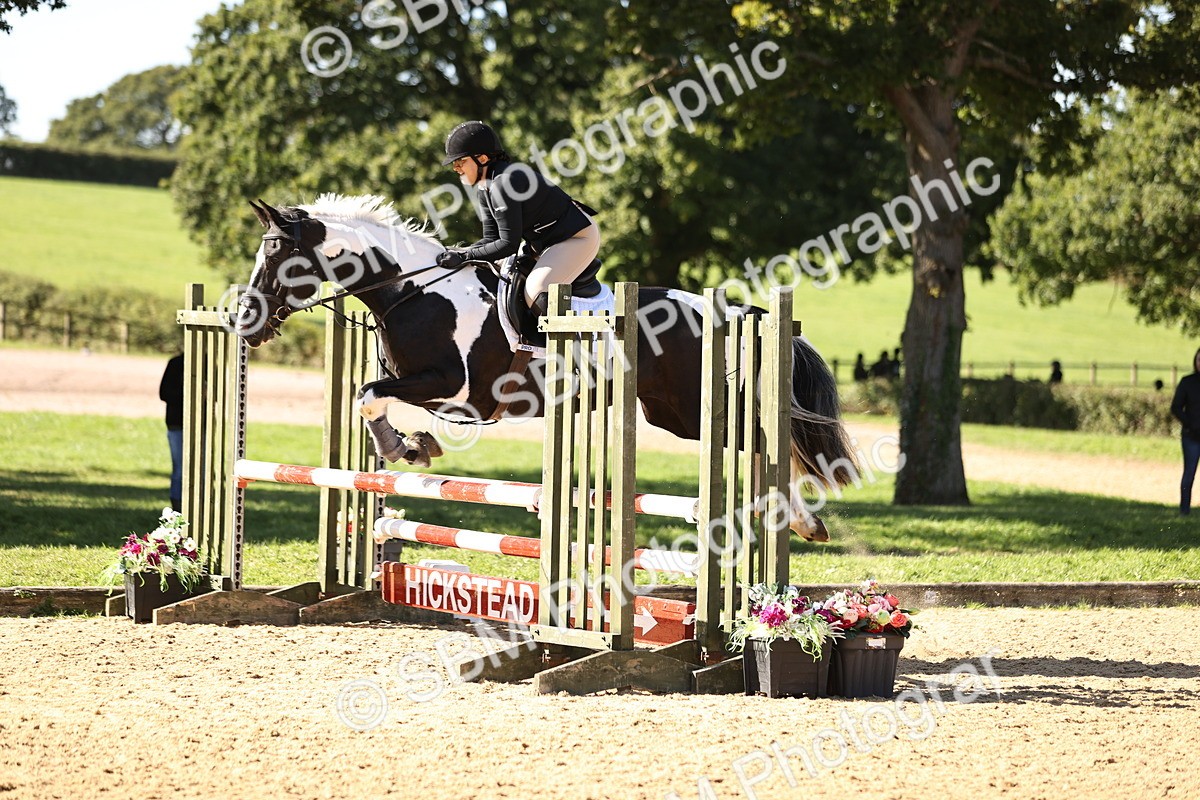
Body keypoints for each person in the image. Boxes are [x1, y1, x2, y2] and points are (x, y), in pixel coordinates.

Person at [435, 120, 601, 313]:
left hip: (577, 237)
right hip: (547, 243)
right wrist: (458, 252)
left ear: (481, 159)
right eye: (455, 165)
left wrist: (465, 255)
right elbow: (491, 239)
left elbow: (508, 244)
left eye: (460, 162)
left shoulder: (504, 183)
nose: (456, 169)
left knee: (535, 290)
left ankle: (572, 343)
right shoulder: (485, 187)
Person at [1170, 347, 1200, 516]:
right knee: (1189, 474)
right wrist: (1189, 424)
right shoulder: (1187, 382)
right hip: (1191, 437)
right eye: (1199, 360)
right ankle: (1184, 510)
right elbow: (1176, 407)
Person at [159, 353, 184, 512]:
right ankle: (177, 511)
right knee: (180, 470)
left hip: (202, 425)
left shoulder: (208, 363)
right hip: (176, 423)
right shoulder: (175, 363)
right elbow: (164, 393)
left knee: (203, 471)